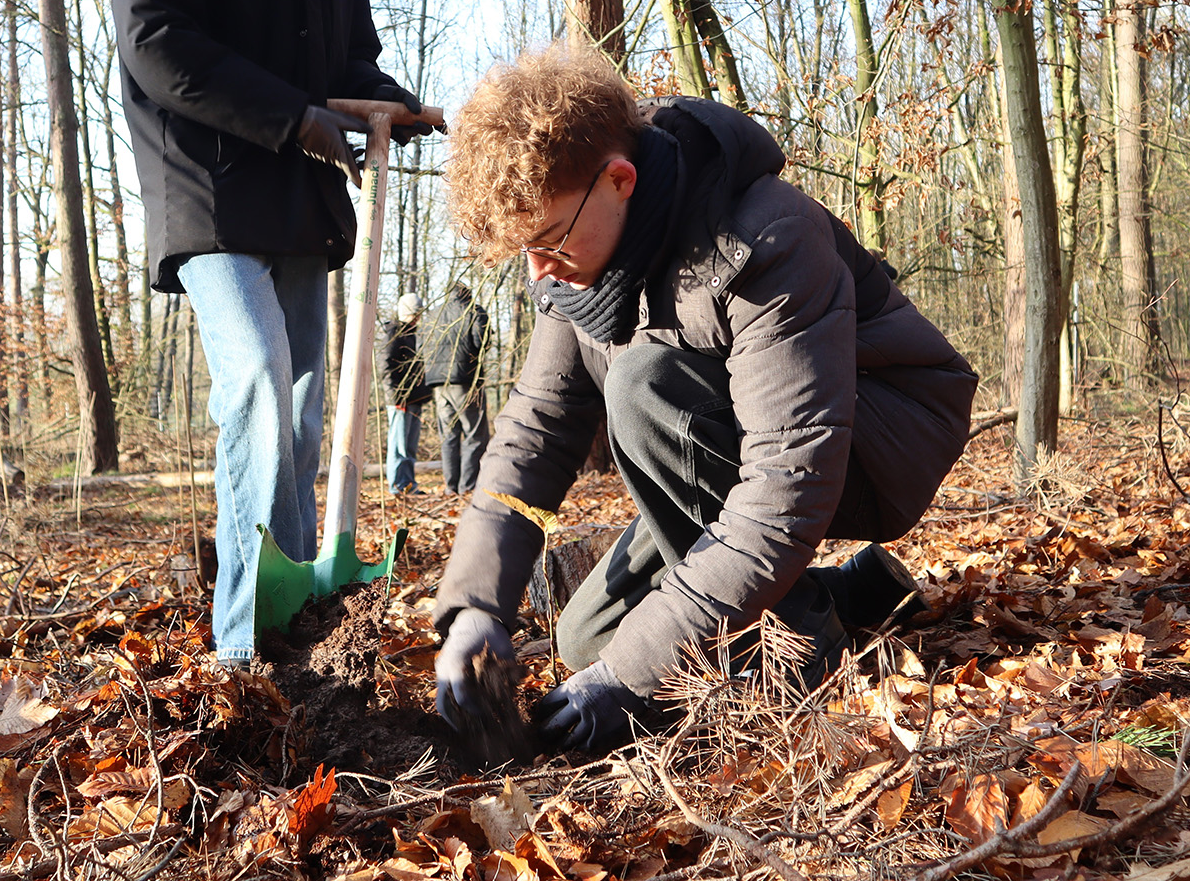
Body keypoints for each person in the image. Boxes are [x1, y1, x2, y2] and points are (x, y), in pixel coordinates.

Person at [431, 43, 978, 754]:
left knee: (643, 386)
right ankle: (850, 595)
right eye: (522, 254)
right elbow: (533, 436)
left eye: (547, 241)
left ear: (620, 181)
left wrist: (630, 680)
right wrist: (474, 609)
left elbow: (787, 487)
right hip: (745, 455)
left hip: (881, 432)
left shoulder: (765, 237)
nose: (540, 272)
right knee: (585, 637)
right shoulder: (574, 270)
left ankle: (804, 648)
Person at [112, 0, 430, 667]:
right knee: (253, 377)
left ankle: (300, 609)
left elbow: (353, 59)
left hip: (302, 197)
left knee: (301, 404)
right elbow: (157, 40)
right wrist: (293, 117)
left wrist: (397, 107)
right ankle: (245, 641)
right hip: (208, 189)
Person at [424, 282, 491, 496]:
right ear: (467, 294)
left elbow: (420, 346)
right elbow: (481, 341)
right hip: (466, 380)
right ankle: (468, 487)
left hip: (439, 385)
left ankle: (450, 487)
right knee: (475, 434)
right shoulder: (473, 312)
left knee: (449, 436)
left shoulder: (433, 315)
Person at [382, 293, 431, 495]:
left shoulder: (411, 334)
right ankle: (397, 486)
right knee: (398, 445)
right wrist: (397, 398)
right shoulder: (394, 334)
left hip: (414, 399)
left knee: (409, 446)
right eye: (416, 313)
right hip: (400, 400)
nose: (419, 317)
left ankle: (408, 484)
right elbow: (386, 368)